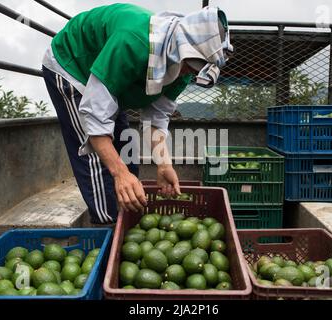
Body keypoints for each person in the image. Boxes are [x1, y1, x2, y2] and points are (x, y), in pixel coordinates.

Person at [42, 3, 233, 224]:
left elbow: (156, 119)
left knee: (125, 149)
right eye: (191, 64)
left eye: (197, 68)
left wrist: (164, 164)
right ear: (181, 46)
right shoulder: (133, 42)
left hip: (110, 76)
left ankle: (126, 218)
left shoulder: (182, 68)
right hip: (73, 65)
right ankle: (108, 227)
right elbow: (94, 119)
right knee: (97, 158)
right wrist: (119, 174)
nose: (189, 72)